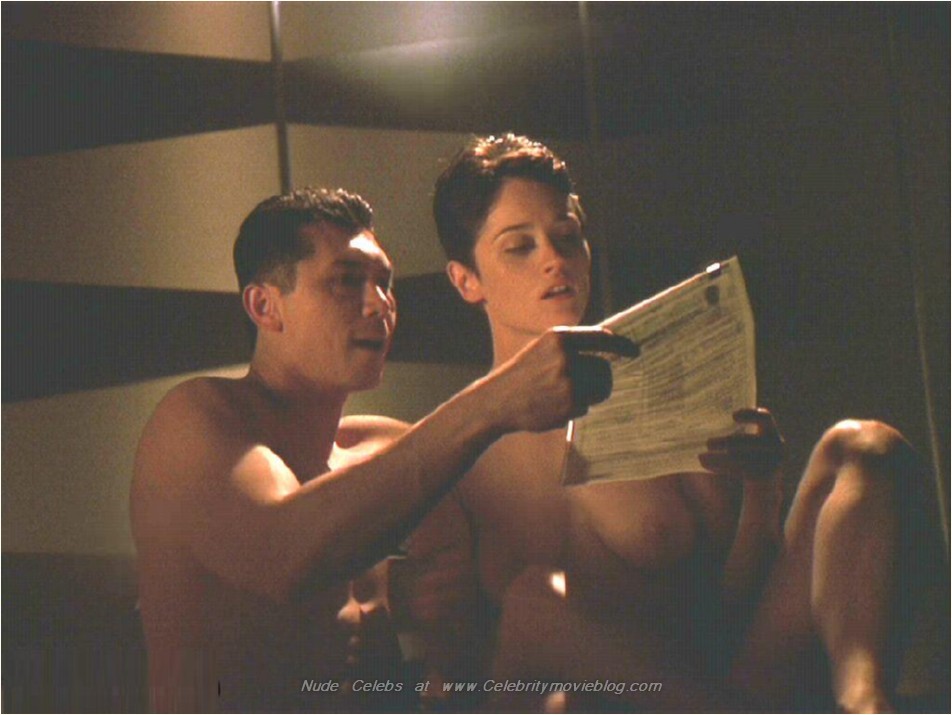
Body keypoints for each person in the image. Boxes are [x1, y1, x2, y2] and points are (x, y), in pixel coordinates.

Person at [399, 134, 923, 712]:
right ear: (466, 280)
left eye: (568, 236)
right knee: (534, 602)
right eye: (520, 247)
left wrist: (762, 491)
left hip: (720, 680)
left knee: (866, 446)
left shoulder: (661, 391)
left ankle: (866, 702)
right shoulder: (455, 453)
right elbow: (459, 665)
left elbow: (732, 606)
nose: (554, 259)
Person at [129, 187, 637, 712]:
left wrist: (443, 630)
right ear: (265, 306)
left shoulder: (387, 449)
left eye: (384, 283)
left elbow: (468, 660)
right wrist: (493, 402)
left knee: (543, 604)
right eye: (347, 280)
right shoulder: (196, 419)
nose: (380, 304)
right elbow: (282, 556)